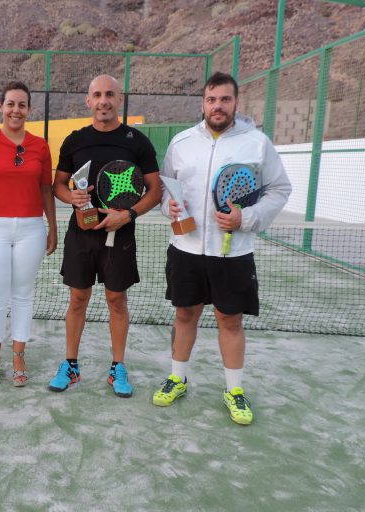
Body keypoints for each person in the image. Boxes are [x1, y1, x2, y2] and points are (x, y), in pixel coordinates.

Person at [155, 71, 292, 425]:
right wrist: (167, 207)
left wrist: (246, 218)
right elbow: (167, 191)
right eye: (211, 99)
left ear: (235, 103)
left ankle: (234, 390)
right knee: (185, 315)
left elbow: (279, 189)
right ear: (203, 103)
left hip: (233, 254)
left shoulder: (257, 143)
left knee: (230, 321)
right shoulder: (181, 142)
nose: (218, 106)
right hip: (185, 249)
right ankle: (177, 378)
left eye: (225, 99)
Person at [49, 74, 162, 398]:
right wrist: (73, 199)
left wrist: (127, 215)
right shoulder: (74, 140)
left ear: (119, 98)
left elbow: (155, 190)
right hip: (81, 233)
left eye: (109, 94)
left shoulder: (136, 141)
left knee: (116, 300)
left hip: (120, 234)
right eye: (97, 95)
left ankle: (117, 367)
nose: (103, 101)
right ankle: (70, 364)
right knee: (77, 299)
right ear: (88, 101)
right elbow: (59, 184)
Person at [0, 81, 57, 387]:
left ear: (29, 110)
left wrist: (52, 228)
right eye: (11, 104)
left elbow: (46, 189)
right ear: (0, 107)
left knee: (22, 295)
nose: (16, 110)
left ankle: (19, 355)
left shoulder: (40, 146)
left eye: (22, 105)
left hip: (31, 227)